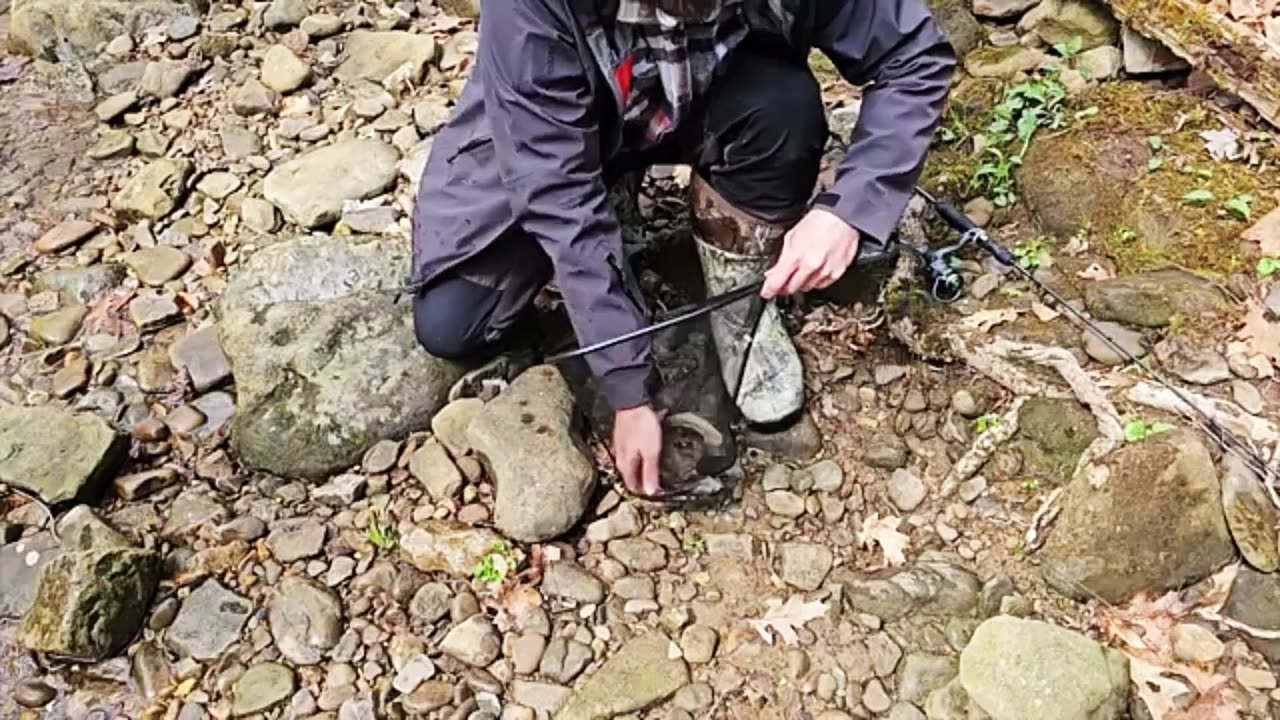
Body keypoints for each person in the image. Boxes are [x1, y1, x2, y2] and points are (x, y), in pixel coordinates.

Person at [410, 0, 956, 497]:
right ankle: (612, 186)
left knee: (784, 109)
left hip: (712, 93)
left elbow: (914, 56)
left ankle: (740, 300)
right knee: (454, 325)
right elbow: (555, 194)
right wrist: (627, 386)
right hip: (564, 117)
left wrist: (850, 207)